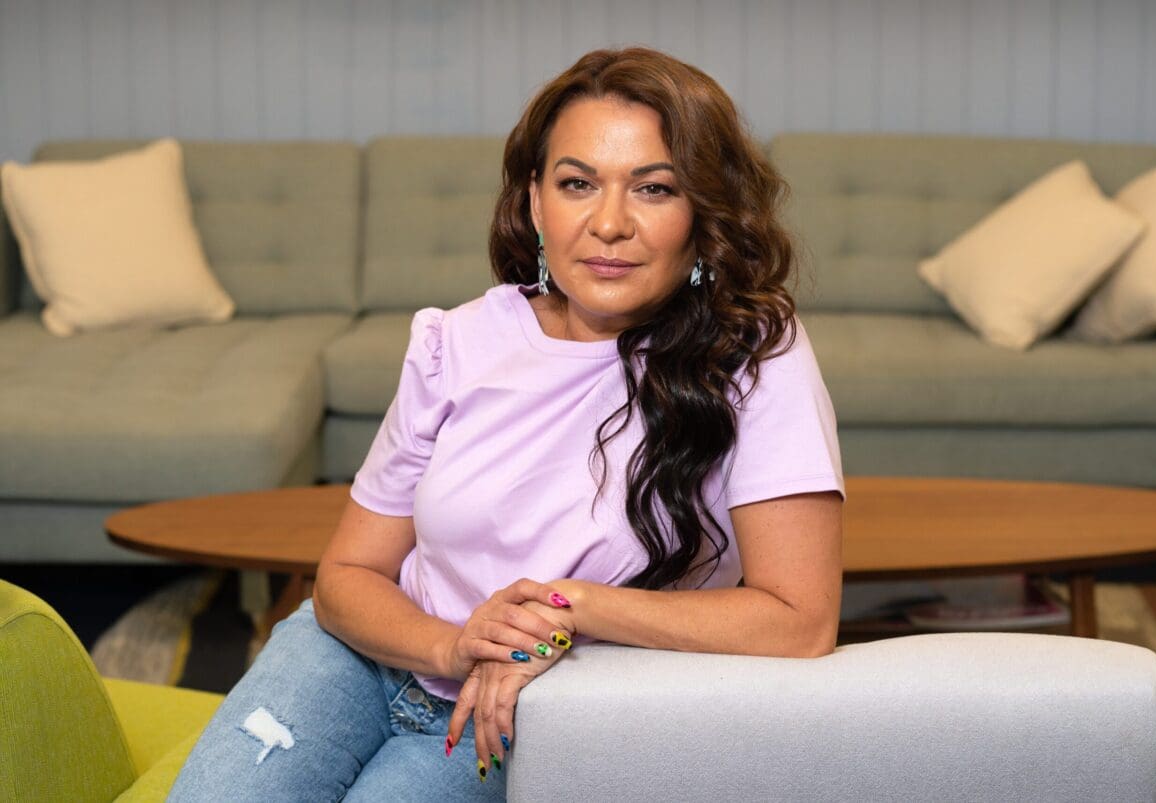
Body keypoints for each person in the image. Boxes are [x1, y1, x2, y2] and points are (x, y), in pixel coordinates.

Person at [168, 45, 844, 802]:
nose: (609, 223)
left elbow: (800, 621)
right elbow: (346, 577)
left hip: (529, 709)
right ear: (535, 202)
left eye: (654, 188)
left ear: (703, 213)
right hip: (359, 659)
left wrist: (570, 607)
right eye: (577, 183)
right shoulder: (455, 341)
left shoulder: (754, 355)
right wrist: (452, 645)